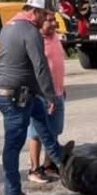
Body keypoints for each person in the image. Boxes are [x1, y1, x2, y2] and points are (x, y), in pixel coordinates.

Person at [0, 0, 73, 195]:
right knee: (13, 144)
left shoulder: (8, 27)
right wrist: (52, 96)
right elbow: (40, 67)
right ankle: (12, 192)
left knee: (39, 112)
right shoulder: (30, 31)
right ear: (35, 12)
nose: (46, 18)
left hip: (5, 91)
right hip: (14, 96)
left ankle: (58, 155)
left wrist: (41, 95)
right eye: (45, 14)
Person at [27, 10, 66, 183]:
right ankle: (34, 169)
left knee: (54, 130)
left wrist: (61, 88)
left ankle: (48, 165)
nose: (53, 24)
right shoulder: (36, 41)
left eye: (54, 20)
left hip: (57, 92)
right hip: (41, 94)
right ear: (41, 23)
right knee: (36, 133)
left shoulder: (56, 37)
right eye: (49, 21)